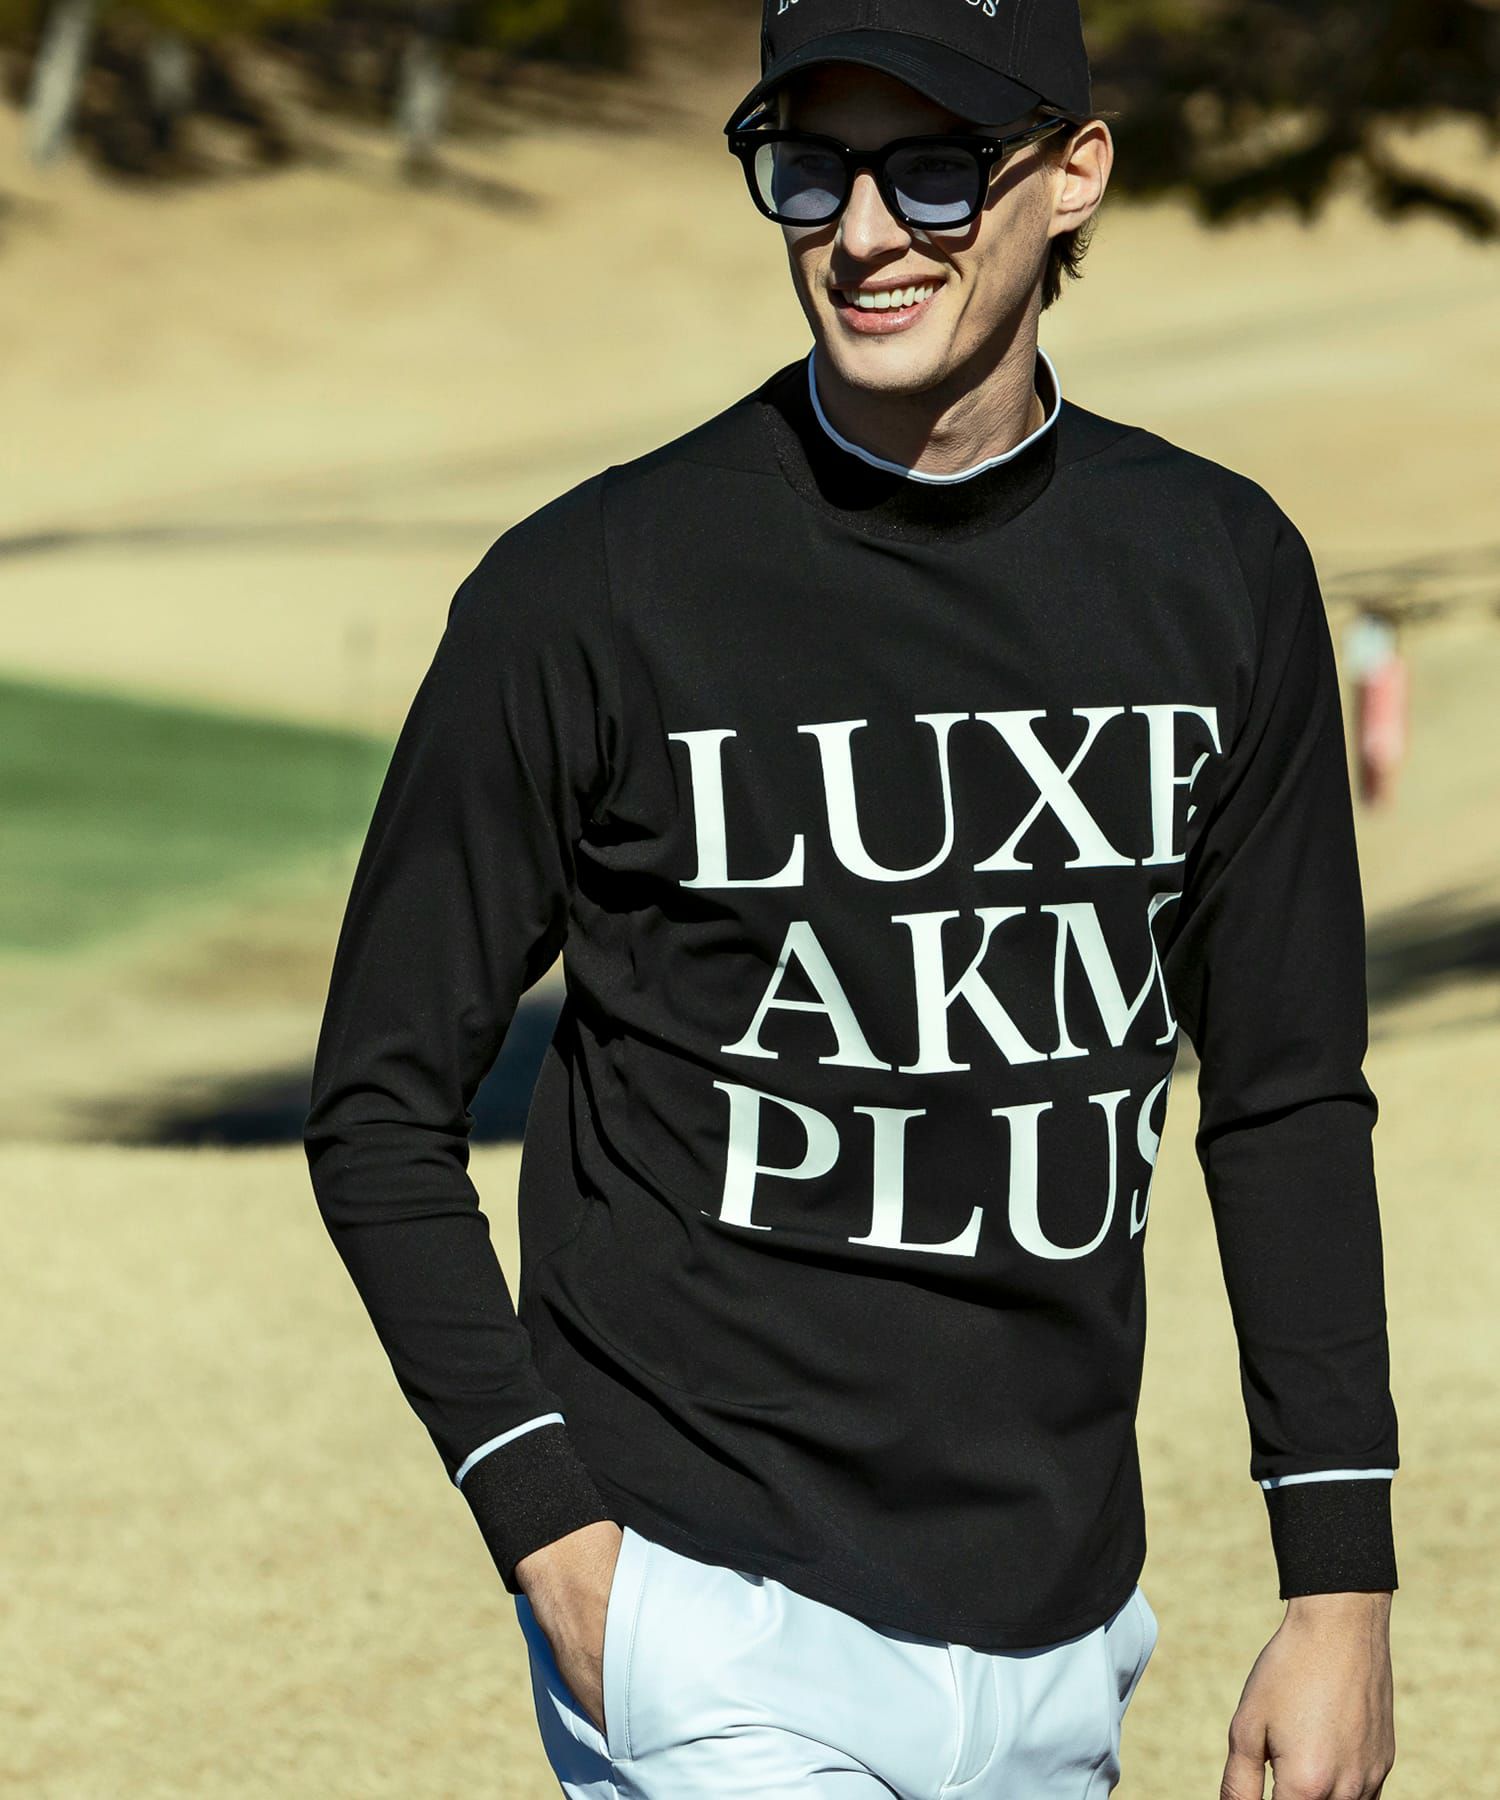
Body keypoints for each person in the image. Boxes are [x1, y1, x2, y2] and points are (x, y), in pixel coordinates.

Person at [302, 1, 1400, 1793]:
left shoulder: (1219, 570)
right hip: (707, 1612)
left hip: (1065, 1628)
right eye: (812, 169)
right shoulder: (591, 589)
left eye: (937, 169)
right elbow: (378, 1106)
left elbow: (1284, 1093)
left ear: (1075, 173)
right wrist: (561, 1547)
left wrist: (1338, 1585)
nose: (865, 233)